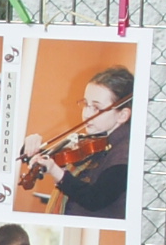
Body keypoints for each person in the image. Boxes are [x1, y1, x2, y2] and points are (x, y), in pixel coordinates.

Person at [22, 67, 133, 220]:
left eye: (97, 108)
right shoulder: (97, 139)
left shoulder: (125, 154)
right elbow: (54, 157)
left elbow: (95, 199)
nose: (87, 114)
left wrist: (56, 171)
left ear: (122, 115)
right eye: (86, 104)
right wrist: (31, 147)